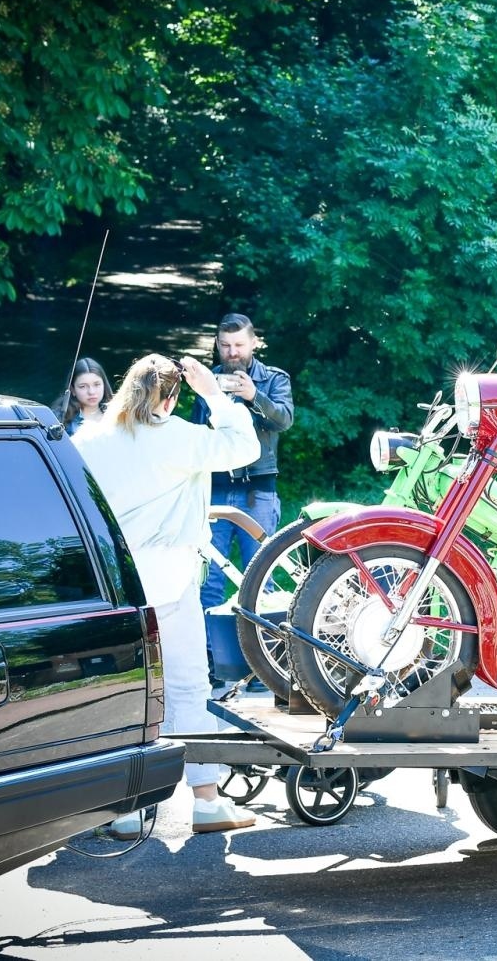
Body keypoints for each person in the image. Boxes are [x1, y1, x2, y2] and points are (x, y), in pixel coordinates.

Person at [72, 352, 260, 835]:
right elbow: (245, 447)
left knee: (129, 692)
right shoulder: (179, 437)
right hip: (170, 580)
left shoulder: (90, 438)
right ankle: (206, 801)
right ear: (173, 397)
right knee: (187, 686)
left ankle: (128, 808)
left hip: (115, 586)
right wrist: (215, 395)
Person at [191, 312, 293, 610]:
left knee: (261, 578)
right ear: (218, 345)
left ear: (253, 343)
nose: (232, 352)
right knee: (207, 577)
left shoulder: (274, 378)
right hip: (215, 488)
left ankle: (261, 651)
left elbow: (284, 420)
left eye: (238, 345)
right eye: (225, 345)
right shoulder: (207, 380)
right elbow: (197, 434)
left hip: (257, 491)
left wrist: (254, 396)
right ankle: (207, 652)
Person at [54, 356, 113, 436]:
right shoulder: (59, 420)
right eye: (83, 386)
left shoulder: (117, 416)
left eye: (97, 384)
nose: (91, 392)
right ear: (73, 390)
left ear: (104, 385)